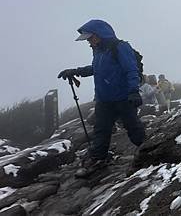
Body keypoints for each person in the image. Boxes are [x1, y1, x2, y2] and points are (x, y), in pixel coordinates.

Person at [57, 19, 145, 177]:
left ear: (99, 35)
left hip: (124, 97)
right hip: (104, 100)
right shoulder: (98, 50)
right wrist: (75, 71)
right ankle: (98, 159)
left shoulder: (120, 47)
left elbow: (131, 69)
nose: (89, 41)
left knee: (133, 127)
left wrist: (133, 91)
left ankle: (148, 152)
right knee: (101, 130)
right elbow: (96, 69)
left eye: (90, 38)